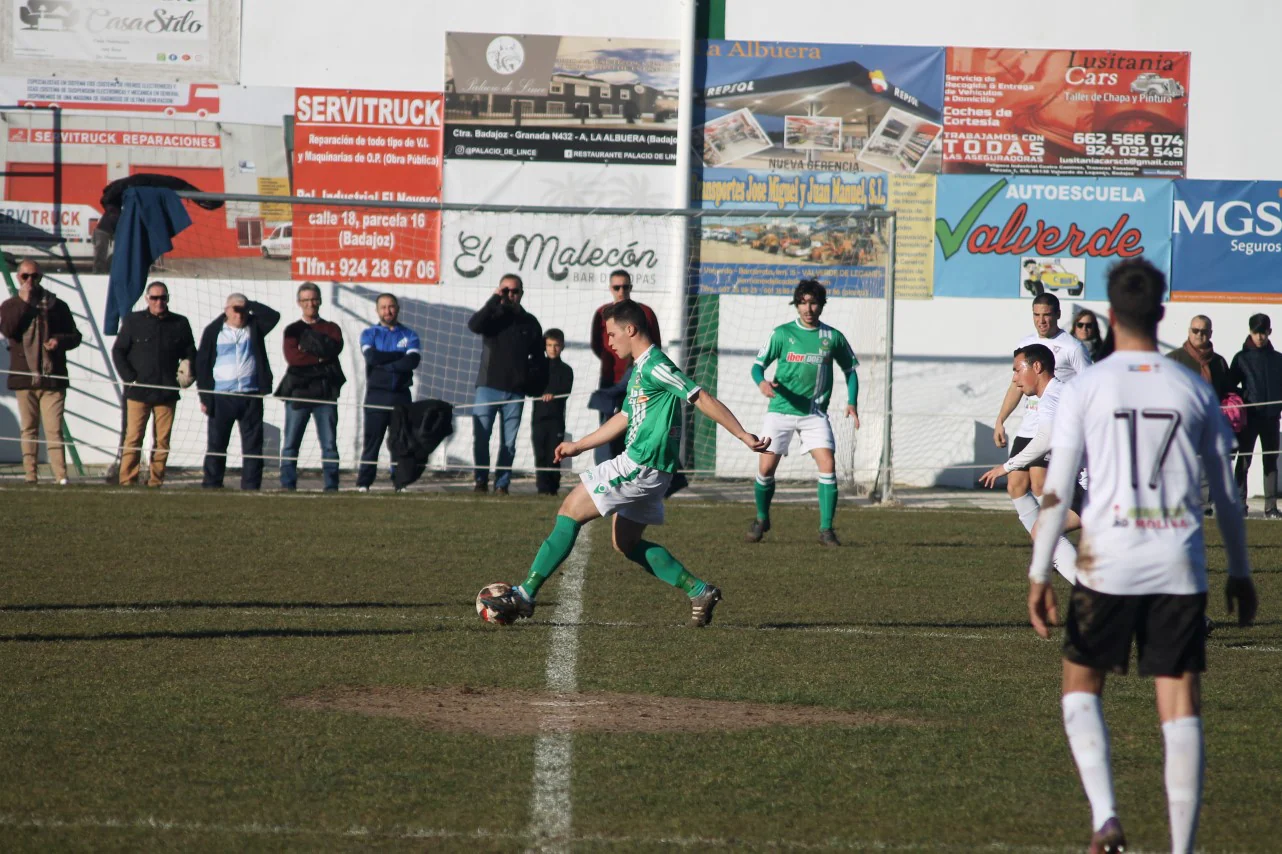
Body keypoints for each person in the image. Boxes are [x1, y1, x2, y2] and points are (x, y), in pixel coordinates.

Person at [1028, 257, 1257, 854]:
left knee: (1081, 686)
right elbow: (1228, 492)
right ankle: (1181, 847)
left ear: (1108, 315)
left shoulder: (1086, 387)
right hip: (1177, 565)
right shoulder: (1191, 387)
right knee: (1179, 707)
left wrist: (1038, 570)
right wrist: (1239, 570)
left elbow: (1055, 485)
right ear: (1161, 315)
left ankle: (1106, 815)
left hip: (1106, 562)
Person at [481, 299, 770, 627]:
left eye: (612, 333)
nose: (608, 341)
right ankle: (699, 590)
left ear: (630, 330)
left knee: (569, 511)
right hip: (652, 468)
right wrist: (579, 445)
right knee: (626, 543)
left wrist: (744, 435)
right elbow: (624, 417)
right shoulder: (639, 369)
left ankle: (525, 594)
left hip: (641, 464)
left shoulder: (656, 365)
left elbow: (700, 396)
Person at [746, 280, 859, 546]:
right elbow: (757, 367)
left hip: (814, 413)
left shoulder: (832, 337)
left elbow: (850, 371)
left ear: (821, 305)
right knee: (766, 468)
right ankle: (762, 518)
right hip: (780, 411)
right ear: (796, 304)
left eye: (814, 302)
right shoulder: (782, 334)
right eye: (803, 302)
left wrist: (852, 401)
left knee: (828, 465)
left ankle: (826, 529)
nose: (808, 308)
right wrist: (762, 383)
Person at [978, 344, 1080, 584]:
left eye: (1017, 370)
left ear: (1036, 367)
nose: (1014, 379)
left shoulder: (1053, 397)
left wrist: (1006, 466)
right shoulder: (1063, 392)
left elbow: (1045, 438)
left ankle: (1098, 599)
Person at [994, 292, 1092, 541]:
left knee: (1039, 483)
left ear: (1058, 315)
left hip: (1052, 429)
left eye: (1047, 315)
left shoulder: (1072, 347)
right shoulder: (1025, 345)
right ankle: (1046, 544)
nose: (1041, 320)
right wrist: (1000, 420)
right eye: (1037, 315)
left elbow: (1091, 386)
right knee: (1015, 485)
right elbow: (1015, 385)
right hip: (1029, 426)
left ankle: (1052, 545)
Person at [0, 258, 82, 484]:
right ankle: (30, 475)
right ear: (18, 278)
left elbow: (76, 337)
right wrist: (25, 304)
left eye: (34, 276)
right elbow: (8, 330)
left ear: (41, 278)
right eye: (25, 276)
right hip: (24, 377)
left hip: (52, 377)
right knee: (29, 429)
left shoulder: (57, 305)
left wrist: (59, 341)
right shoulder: (10, 305)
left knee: (54, 429)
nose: (30, 281)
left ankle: (61, 476)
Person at [111, 281, 196, 487]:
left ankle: (156, 480)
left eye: (163, 298)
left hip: (166, 392)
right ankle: (128, 480)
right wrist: (129, 377)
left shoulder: (180, 323)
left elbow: (191, 352)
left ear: (168, 299)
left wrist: (188, 371)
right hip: (138, 392)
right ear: (147, 299)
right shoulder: (133, 321)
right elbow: (119, 351)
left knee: (162, 441)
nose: (159, 302)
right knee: (133, 438)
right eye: (155, 298)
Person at [467, 273, 545, 495]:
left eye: (515, 291)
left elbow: (538, 358)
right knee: (481, 438)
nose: (511, 295)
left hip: (515, 393)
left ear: (522, 293)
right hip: (487, 388)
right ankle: (480, 481)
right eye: (506, 291)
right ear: (500, 291)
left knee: (508, 443)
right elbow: (474, 325)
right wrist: (494, 300)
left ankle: (502, 484)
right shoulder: (492, 318)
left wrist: (531, 382)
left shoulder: (530, 323)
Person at [195, 293, 279, 490]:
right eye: (235, 310)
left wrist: (248, 304)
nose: (240, 315)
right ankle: (212, 483)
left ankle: (251, 485)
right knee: (217, 444)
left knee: (253, 445)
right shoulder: (214, 331)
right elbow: (203, 365)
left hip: (250, 395)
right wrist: (205, 396)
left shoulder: (254, 328)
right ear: (226, 310)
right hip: (222, 396)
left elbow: (273, 316)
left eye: (243, 310)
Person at [277, 283, 345, 492]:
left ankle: (331, 485)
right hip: (298, 393)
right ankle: (288, 485)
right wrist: (320, 356)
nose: (310, 304)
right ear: (299, 303)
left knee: (329, 445)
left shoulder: (331, 328)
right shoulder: (293, 329)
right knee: (290, 444)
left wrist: (309, 350)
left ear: (320, 300)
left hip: (325, 394)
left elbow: (334, 349)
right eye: (306, 300)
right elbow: (294, 358)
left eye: (313, 299)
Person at [590, 270, 661, 462]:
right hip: (610, 378)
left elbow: (655, 345)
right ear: (610, 288)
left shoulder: (644, 312)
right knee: (607, 427)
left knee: (637, 424)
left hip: (638, 376)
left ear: (631, 287)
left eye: (626, 287)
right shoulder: (602, 313)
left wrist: (634, 364)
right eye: (616, 287)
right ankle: (604, 473)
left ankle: (633, 471)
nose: (621, 291)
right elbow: (598, 346)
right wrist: (614, 361)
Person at [356, 294, 421, 492]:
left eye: (391, 306)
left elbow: (412, 362)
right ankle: (364, 483)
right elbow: (372, 357)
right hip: (376, 395)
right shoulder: (369, 334)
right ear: (377, 310)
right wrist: (397, 358)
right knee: (372, 441)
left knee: (400, 442)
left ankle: (400, 482)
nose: (387, 311)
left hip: (401, 395)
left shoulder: (410, 335)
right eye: (383, 307)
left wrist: (387, 364)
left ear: (398, 308)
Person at [1228, 313, 1282, 518]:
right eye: (1256, 332)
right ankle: (1238, 504)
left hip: (1271, 418)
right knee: (1244, 461)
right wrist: (1246, 397)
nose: (1260, 337)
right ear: (1250, 332)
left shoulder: (1278, 359)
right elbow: (1230, 386)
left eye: (1263, 332)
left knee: (1270, 462)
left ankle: (1271, 508)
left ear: (1270, 332)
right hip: (1249, 419)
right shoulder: (1241, 358)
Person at [532, 328, 573, 496]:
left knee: (554, 454)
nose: (552, 349)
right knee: (540, 453)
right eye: (549, 345)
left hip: (556, 419)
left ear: (562, 346)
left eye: (556, 345)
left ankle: (553, 488)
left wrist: (553, 395)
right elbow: (531, 387)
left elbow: (566, 390)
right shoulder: (538, 367)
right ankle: (542, 488)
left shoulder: (566, 370)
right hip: (539, 418)